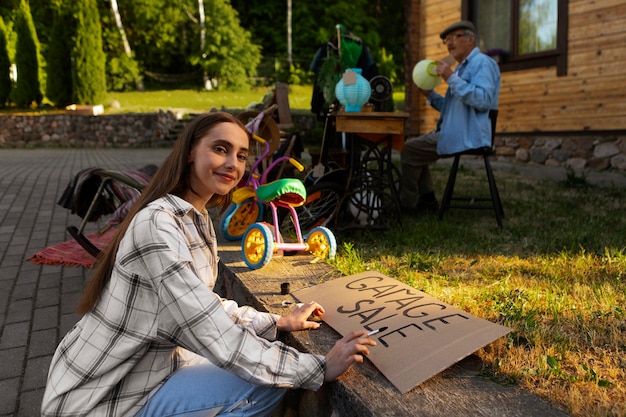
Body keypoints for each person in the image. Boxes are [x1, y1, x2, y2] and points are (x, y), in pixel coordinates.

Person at [41, 112, 376, 417]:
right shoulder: (157, 226)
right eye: (220, 149)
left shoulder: (195, 219)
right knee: (263, 383)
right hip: (103, 396)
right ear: (190, 151)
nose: (233, 163)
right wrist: (317, 368)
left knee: (264, 362)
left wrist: (276, 322)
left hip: (151, 369)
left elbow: (203, 305)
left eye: (242, 155)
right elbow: (212, 333)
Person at [400, 20, 501, 215]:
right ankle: (427, 200)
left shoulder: (482, 63)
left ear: (470, 39)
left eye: (454, 37)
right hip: (456, 130)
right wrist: (429, 94)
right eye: (446, 40)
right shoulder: (463, 68)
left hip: (468, 135)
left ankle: (409, 205)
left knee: (409, 150)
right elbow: (451, 108)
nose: (449, 43)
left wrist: (451, 78)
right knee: (413, 149)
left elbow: (484, 100)